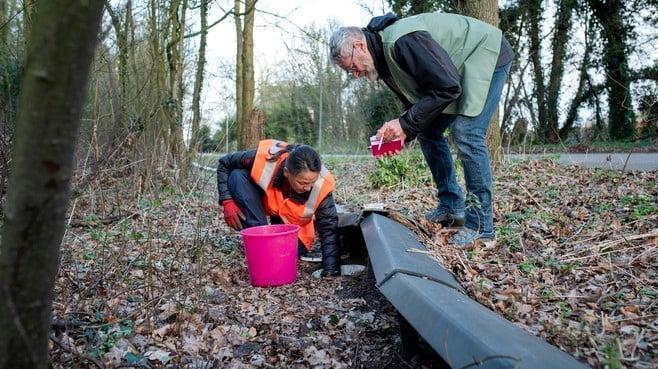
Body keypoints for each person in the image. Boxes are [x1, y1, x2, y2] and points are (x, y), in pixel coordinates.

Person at [329, 12, 514, 246]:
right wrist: (400, 134)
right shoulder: (383, 62)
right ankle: (451, 207)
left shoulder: (403, 41)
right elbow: (417, 105)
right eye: (349, 72)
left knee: (467, 133)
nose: (355, 75)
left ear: (359, 46)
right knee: (428, 132)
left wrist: (405, 124)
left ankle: (481, 226)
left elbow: (447, 87)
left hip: (487, 53)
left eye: (352, 67)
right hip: (456, 71)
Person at [216, 139, 341, 276]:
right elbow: (224, 163)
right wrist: (227, 201)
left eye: (312, 182)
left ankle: (267, 249)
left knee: (278, 253)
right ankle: (259, 237)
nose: (308, 187)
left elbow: (329, 227)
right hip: (265, 206)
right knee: (237, 175)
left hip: (295, 229)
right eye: (302, 182)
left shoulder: (322, 185)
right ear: (287, 173)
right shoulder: (264, 159)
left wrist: (331, 269)